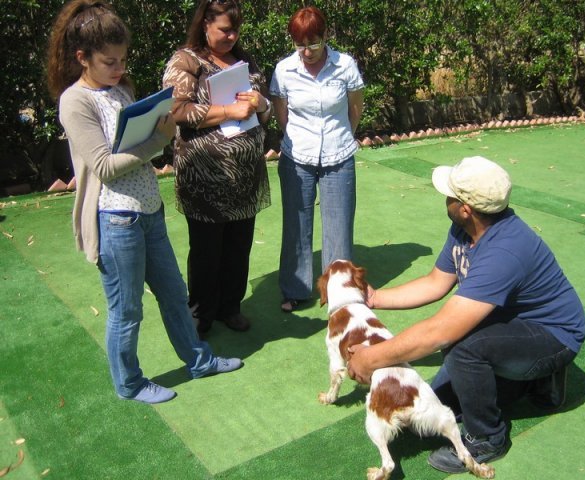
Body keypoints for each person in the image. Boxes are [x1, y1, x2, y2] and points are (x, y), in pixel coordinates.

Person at [47, 0, 243, 405]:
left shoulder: (121, 88)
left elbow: (133, 144)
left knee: (174, 294)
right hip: (114, 218)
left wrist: (159, 126)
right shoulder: (75, 101)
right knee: (126, 310)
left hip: (148, 212)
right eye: (109, 61)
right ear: (82, 58)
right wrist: (158, 140)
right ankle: (130, 383)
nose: (119, 69)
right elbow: (103, 165)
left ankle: (199, 360)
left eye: (122, 59)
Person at [347, 156, 585, 472]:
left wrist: (370, 358)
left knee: (462, 348)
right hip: (510, 323)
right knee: (447, 399)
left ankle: (489, 438)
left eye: (450, 195)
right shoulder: (465, 229)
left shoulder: (505, 250)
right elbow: (436, 282)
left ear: (465, 208)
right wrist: (375, 298)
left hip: (553, 335)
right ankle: (535, 383)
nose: (444, 199)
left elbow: (439, 332)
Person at [163, 0, 271, 335]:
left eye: (236, 30)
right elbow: (176, 110)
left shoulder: (245, 59)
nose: (231, 36)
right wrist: (227, 111)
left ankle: (230, 307)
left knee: (239, 246)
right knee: (207, 251)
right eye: (225, 29)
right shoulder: (186, 61)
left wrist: (260, 103)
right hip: (204, 176)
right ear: (205, 23)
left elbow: (264, 108)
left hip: (245, 176)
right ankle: (201, 315)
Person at [269, 6, 364, 313]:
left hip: (339, 153)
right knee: (296, 225)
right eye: (300, 44)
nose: (306, 51)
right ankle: (295, 290)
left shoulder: (345, 65)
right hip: (297, 156)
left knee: (339, 227)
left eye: (313, 43)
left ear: (326, 37)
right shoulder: (284, 70)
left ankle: (340, 293)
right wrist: (299, 139)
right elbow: (282, 114)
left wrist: (344, 136)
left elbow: (355, 109)